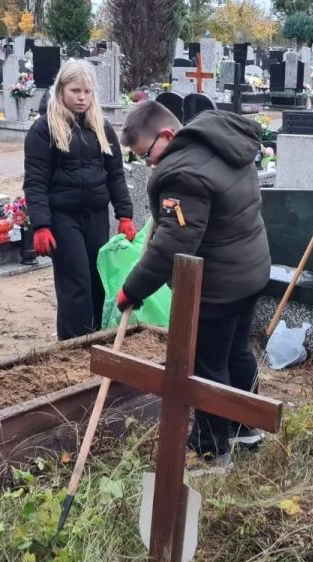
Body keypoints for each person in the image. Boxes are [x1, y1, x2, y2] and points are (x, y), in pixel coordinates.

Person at [116, 101, 271, 469]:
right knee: (237, 351)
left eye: (147, 155)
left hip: (219, 283)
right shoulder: (219, 138)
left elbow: (173, 244)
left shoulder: (183, 174)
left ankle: (209, 451)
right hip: (250, 269)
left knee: (207, 365)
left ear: (167, 136)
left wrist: (132, 289)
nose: (149, 165)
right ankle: (246, 426)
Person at [24, 59, 134, 341]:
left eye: (87, 91)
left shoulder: (103, 128)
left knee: (98, 279)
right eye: (75, 91)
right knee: (76, 283)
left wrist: (125, 215)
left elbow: (115, 175)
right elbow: (35, 181)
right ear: (61, 90)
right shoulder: (43, 130)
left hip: (96, 214)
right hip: (62, 217)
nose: (82, 97)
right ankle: (74, 346)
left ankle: (95, 338)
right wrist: (41, 225)